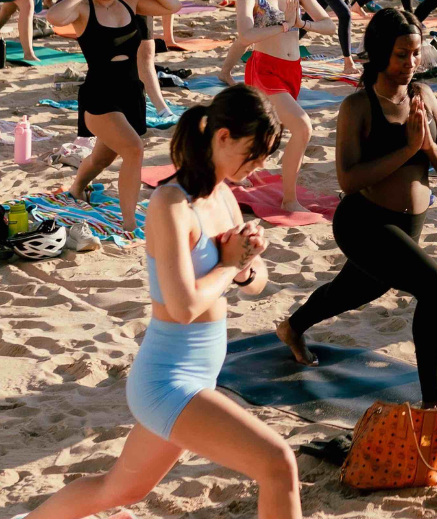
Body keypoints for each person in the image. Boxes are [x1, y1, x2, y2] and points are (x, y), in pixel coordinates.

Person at [28, 87, 301, 519]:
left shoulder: (224, 196)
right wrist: (230, 264)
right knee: (278, 464)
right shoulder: (171, 203)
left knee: (119, 489)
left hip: (200, 375)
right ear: (223, 137)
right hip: (167, 382)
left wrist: (247, 263)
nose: (260, 165)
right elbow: (183, 307)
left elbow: (254, 286)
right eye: (256, 153)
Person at [276, 9, 437, 405]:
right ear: (378, 53)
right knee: (433, 286)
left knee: (352, 290)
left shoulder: (424, 96)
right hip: (364, 223)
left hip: (409, 225)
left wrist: (427, 146)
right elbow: (349, 180)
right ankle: (432, 404)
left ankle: (292, 327)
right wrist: (408, 149)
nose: (411, 63)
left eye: (416, 53)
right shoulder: (358, 106)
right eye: (401, 55)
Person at [44, 0, 181, 233]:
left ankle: (77, 188)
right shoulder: (84, 9)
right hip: (100, 95)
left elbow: (173, 6)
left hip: (130, 93)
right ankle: (129, 223)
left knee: (102, 158)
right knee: (134, 149)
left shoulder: (130, 1)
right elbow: (54, 17)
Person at [235, 0, 339, 213]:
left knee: (267, 131)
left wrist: (301, 24)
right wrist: (284, 25)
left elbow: (329, 25)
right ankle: (289, 200)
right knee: (303, 128)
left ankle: (238, 167)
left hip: (293, 70)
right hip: (265, 69)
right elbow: (245, 35)